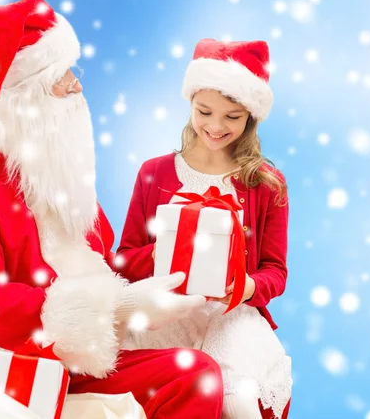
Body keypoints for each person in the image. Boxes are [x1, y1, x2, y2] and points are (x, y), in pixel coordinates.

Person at [0, 0, 224, 418]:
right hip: (10, 358)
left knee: (207, 357)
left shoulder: (49, 156)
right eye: (61, 76)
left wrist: (178, 253)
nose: (77, 85)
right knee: (193, 375)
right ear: (24, 97)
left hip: (80, 350)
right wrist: (119, 307)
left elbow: (98, 261)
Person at [116, 39, 293, 419]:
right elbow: (124, 261)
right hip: (167, 313)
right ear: (190, 103)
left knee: (236, 398)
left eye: (232, 117)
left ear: (250, 117)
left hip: (231, 316)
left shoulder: (266, 184)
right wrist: (171, 249)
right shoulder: (154, 173)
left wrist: (248, 286)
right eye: (204, 111)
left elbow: (275, 272)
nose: (215, 126)